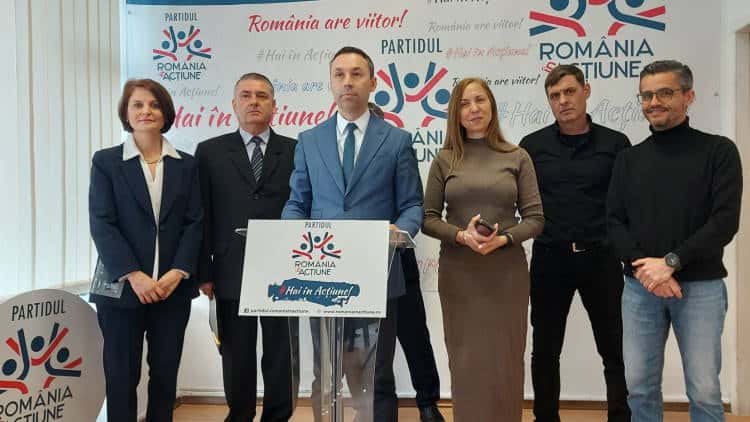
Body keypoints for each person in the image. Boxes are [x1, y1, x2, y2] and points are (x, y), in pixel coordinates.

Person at [282, 46, 423, 422]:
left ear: (373, 83)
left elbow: (412, 205)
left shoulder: (397, 141)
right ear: (330, 82)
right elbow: (297, 202)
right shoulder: (309, 140)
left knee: (377, 376)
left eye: (357, 74)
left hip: (378, 274)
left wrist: (400, 230)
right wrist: (290, 236)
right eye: (339, 74)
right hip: (320, 275)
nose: (348, 81)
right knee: (326, 374)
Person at [607, 60, 742, 421]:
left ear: (688, 96)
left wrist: (670, 263)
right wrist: (646, 270)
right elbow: (614, 222)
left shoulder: (719, 152)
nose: (654, 102)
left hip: (700, 288)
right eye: (646, 95)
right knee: (639, 387)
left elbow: (724, 222)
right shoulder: (628, 159)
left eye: (665, 93)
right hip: (640, 288)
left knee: (704, 390)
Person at [421, 77, 544, 421]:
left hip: (506, 274)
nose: (474, 109)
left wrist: (503, 239)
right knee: (466, 360)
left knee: (505, 359)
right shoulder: (445, 159)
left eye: (480, 100)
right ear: (455, 114)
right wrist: (461, 236)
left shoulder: (517, 156)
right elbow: (428, 219)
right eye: (464, 103)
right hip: (460, 275)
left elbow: (535, 219)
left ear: (491, 106)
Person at [519, 64, 631, 422]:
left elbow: (627, 205)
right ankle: (545, 418)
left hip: (602, 258)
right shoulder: (531, 146)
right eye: (555, 95)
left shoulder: (616, 144)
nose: (563, 101)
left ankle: (621, 416)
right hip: (550, 258)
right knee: (545, 349)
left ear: (586, 91)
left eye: (569, 92)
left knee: (614, 347)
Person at [89, 78, 202, 422]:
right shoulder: (106, 162)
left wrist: (177, 272)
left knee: (165, 375)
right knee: (121, 377)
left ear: (165, 113)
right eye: (137, 104)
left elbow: (195, 222)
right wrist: (134, 275)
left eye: (154, 104)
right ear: (126, 112)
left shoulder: (187, 164)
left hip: (172, 290)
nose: (146, 111)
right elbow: (102, 222)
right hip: (122, 290)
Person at [195, 73, 298, 422]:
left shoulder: (296, 150)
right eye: (246, 95)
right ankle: (239, 414)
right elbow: (202, 214)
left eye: (262, 95)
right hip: (229, 266)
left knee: (281, 351)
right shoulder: (209, 152)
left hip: (284, 267)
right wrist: (204, 271)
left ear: (274, 105)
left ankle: (277, 415)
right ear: (234, 104)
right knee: (236, 351)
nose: (254, 101)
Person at [369, 102, 445, 422]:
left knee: (415, 338)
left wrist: (398, 230)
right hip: (356, 265)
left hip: (398, 260)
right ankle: (375, 407)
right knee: (372, 350)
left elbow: (412, 204)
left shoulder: (397, 151)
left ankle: (428, 403)